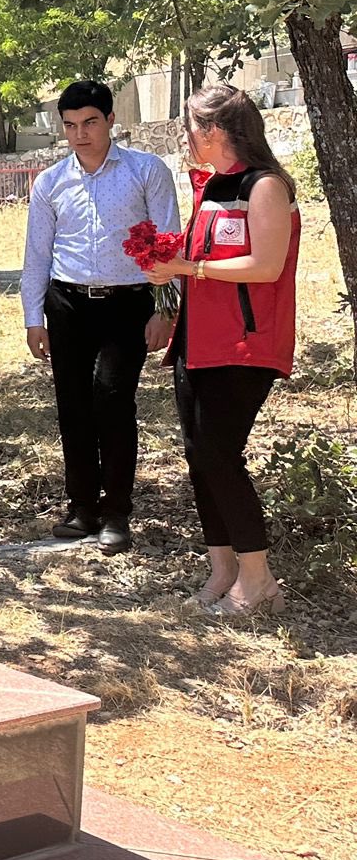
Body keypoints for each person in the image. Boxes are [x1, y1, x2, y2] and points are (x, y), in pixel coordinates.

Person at [144, 84, 300, 616]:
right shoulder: (210, 188)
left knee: (219, 454)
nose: (187, 137)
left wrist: (190, 268)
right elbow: (199, 258)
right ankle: (224, 571)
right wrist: (167, 268)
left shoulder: (266, 187)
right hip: (197, 341)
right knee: (199, 456)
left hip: (245, 344)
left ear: (214, 131)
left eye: (191, 126)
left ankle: (259, 583)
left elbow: (266, 266)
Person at [21, 79, 180, 554]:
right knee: (73, 406)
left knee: (112, 400)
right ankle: (82, 507)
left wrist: (166, 309)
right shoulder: (50, 182)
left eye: (90, 122)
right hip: (68, 304)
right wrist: (34, 319)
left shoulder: (145, 171)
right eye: (70, 125)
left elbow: (168, 242)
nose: (80, 134)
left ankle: (117, 513)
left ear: (111, 120)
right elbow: (37, 256)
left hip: (128, 302)